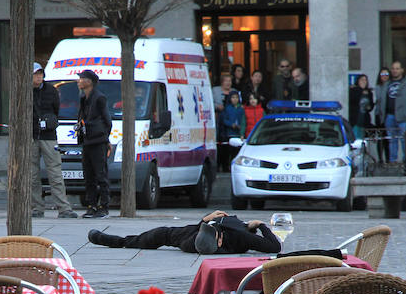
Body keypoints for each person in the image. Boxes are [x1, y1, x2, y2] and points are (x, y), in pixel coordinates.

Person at [88, 210, 281, 254]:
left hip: (183, 234)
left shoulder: (242, 238)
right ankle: (115, 240)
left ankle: (107, 240)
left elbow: (275, 247)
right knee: (156, 235)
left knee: (147, 237)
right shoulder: (240, 236)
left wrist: (205, 220)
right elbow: (274, 247)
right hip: (191, 233)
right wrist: (261, 225)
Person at [31, 62, 77, 219]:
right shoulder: (24, 91)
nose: (38, 77)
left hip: (49, 136)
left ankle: (64, 208)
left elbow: (56, 110)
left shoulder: (51, 90)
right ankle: (37, 207)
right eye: (35, 74)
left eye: (40, 74)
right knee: (32, 175)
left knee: (55, 172)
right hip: (30, 136)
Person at [75, 69, 111, 219]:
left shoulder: (99, 98)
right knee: (88, 175)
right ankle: (91, 206)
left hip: (98, 141)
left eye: (81, 78)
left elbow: (107, 121)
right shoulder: (84, 98)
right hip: (87, 141)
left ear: (89, 81)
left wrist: (103, 137)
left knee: (100, 175)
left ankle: (104, 206)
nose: (79, 81)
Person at [374, 61, 406, 163]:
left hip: (403, 117)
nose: (395, 70)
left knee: (404, 140)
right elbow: (380, 99)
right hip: (389, 116)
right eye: (393, 68)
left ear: (402, 70)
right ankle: (393, 162)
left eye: (397, 68)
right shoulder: (386, 84)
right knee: (391, 140)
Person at [372, 67, 391, 163]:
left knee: (387, 139)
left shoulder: (390, 85)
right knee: (380, 138)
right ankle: (380, 159)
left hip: (387, 114)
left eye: (386, 74)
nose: (384, 76)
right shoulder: (377, 87)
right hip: (378, 115)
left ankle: (388, 159)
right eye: (382, 74)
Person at [348, 74, 374, 142]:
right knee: (356, 140)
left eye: (365, 80)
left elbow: (371, 106)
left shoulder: (369, 92)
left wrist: (369, 106)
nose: (364, 81)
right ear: (358, 81)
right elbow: (352, 100)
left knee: (363, 141)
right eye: (362, 80)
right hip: (355, 120)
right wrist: (360, 91)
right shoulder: (353, 90)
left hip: (364, 120)